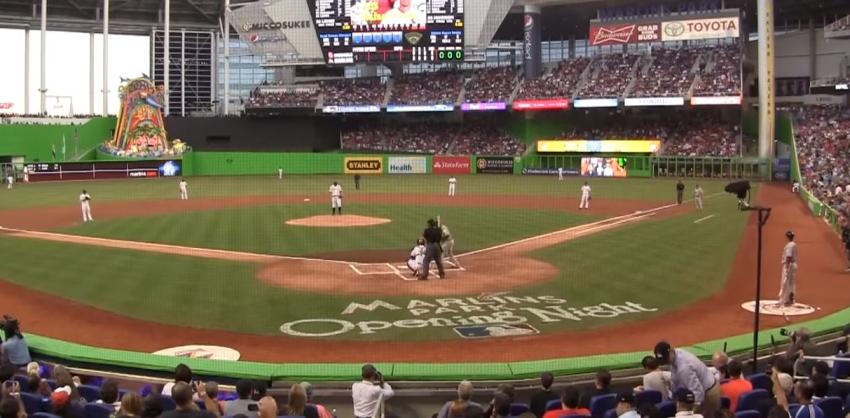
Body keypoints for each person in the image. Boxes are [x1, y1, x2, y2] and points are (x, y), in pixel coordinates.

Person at [653, 342, 720, 418]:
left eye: (666, 359)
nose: (665, 362)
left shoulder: (684, 367)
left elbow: (697, 392)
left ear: (671, 351)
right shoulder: (675, 355)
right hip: (700, 390)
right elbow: (676, 381)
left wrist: (692, 412)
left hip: (707, 394)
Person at [779, 230, 798, 307]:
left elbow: (788, 257)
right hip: (793, 264)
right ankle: (791, 299)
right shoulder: (794, 244)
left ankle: (785, 300)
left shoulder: (789, 245)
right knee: (791, 282)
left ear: (787, 237)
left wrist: (786, 267)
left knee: (786, 282)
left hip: (789, 265)